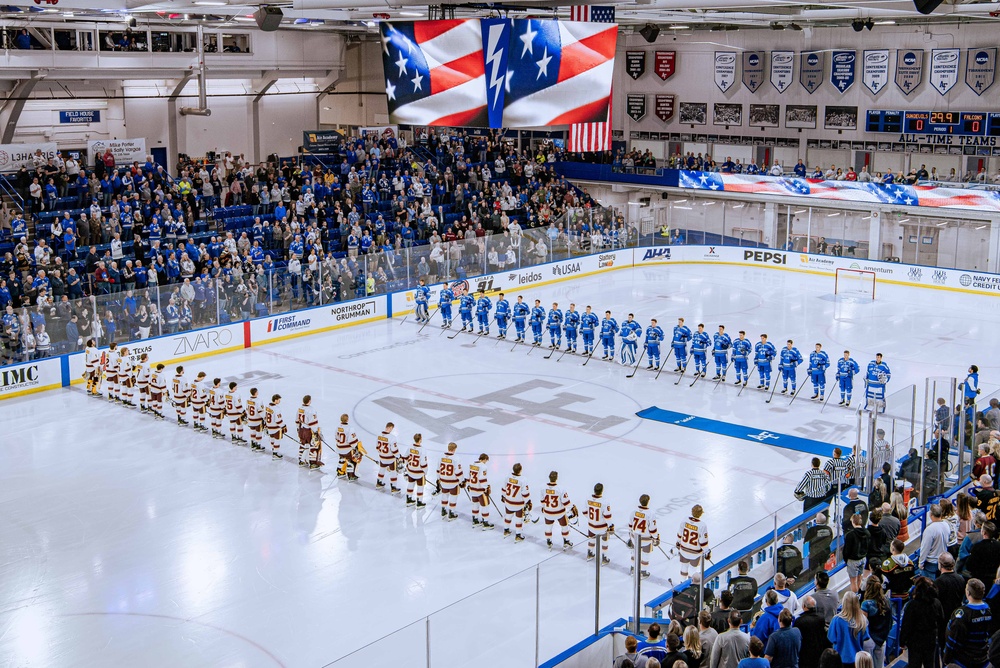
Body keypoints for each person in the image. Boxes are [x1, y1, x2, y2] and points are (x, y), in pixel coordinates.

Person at [943, 578, 992, 668]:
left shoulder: (962, 614)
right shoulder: (989, 610)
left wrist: (946, 658)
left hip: (964, 660)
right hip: (983, 657)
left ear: (968, 593)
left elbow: (953, 639)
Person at [899, 576, 946, 668]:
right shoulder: (936, 603)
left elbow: (906, 625)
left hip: (915, 641)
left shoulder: (912, 605)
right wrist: (941, 640)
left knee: (914, 664)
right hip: (931, 639)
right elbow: (941, 622)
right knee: (930, 664)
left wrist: (902, 641)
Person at [827, 592, 870, 668]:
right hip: (857, 660)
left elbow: (831, 639)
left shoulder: (836, 620)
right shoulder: (862, 620)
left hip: (840, 660)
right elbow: (866, 637)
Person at [860, 576, 891, 668]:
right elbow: (890, 622)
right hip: (882, 639)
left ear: (868, 587)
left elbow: (863, 624)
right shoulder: (887, 602)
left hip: (869, 639)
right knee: (880, 666)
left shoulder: (866, 604)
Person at [541, 471, 576, 550]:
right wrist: (572, 508)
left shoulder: (543, 488)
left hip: (548, 512)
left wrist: (544, 508)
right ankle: (566, 541)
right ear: (556, 478)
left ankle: (549, 541)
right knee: (564, 527)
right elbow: (566, 502)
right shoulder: (561, 489)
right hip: (559, 513)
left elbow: (542, 501)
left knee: (548, 527)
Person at [794, 597, 831, 668]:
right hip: (820, 654)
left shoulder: (799, 622)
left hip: (806, 657)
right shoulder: (821, 618)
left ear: (804, 606)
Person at [676, 504, 710, 578]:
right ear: (701, 514)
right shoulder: (702, 525)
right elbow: (703, 541)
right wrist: (707, 552)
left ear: (692, 511)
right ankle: (691, 583)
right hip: (695, 553)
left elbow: (680, 533)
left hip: (684, 549)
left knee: (684, 566)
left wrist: (678, 542)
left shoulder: (685, 520)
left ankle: (682, 583)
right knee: (693, 569)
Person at [920, 503, 951, 578]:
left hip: (931, 563)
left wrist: (921, 563)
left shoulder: (930, 529)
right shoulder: (946, 525)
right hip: (942, 561)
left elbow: (925, 548)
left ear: (931, 515)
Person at [501, 463, 531, 542]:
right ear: (520, 470)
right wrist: (528, 502)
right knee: (519, 519)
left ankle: (506, 531)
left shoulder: (507, 477)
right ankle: (518, 535)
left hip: (508, 501)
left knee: (508, 516)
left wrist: (503, 496)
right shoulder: (523, 479)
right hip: (518, 504)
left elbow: (504, 489)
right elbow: (525, 493)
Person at [629, 493, 658, 576]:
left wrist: (631, 536)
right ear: (648, 502)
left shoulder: (633, 512)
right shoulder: (650, 514)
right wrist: (656, 537)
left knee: (634, 553)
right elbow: (652, 529)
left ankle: (633, 569)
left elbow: (630, 526)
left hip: (635, 538)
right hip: (646, 540)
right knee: (646, 555)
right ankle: (643, 572)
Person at [966, 521, 1000, 588]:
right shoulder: (998, 545)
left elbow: (969, 565)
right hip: (994, 579)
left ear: (983, 532)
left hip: (979, 580)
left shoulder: (977, 547)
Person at [843, 514, 870, 593]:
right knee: (859, 578)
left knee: (853, 581)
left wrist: (846, 560)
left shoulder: (850, 535)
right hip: (863, 558)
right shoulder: (867, 532)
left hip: (853, 560)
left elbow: (846, 550)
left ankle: (855, 597)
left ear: (853, 522)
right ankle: (860, 595)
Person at [936, 552, 967, 622]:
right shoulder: (961, 579)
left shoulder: (938, 582)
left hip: (944, 616)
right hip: (957, 614)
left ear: (940, 565)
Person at [436, 441, 463, 519]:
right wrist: (461, 481)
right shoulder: (456, 458)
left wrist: (438, 479)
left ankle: (443, 510)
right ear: (454, 449)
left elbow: (438, 469)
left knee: (444, 495)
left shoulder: (441, 456)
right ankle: (451, 513)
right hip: (453, 482)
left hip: (443, 480)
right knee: (453, 497)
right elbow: (458, 472)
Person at [467, 453, 493, 529]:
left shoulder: (472, 464)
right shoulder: (483, 466)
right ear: (484, 459)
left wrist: (469, 484)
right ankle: (485, 523)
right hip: (480, 490)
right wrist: (487, 487)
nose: (486, 462)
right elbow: (482, 479)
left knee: (475, 504)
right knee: (485, 505)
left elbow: (468, 476)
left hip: (472, 489)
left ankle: (475, 520)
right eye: (486, 460)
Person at [375, 422, 402, 494]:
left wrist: (381, 454)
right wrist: (399, 456)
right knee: (393, 472)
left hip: (382, 457)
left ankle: (378, 483)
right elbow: (394, 450)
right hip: (390, 459)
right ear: (390, 428)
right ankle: (393, 488)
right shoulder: (392, 437)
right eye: (391, 428)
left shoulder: (379, 435)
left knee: (382, 469)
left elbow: (377, 447)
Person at [404, 433, 429, 507]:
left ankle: (408, 499)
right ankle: (419, 502)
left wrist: (407, 467)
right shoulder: (422, 450)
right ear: (420, 439)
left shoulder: (410, 447)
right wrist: (425, 472)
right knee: (420, 487)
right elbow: (423, 463)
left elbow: (405, 457)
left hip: (410, 470)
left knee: (410, 484)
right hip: (419, 473)